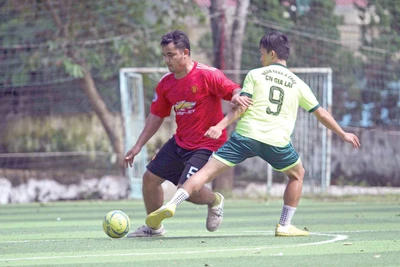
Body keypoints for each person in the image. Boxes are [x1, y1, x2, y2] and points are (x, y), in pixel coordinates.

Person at [145, 31, 361, 237]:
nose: (260, 57)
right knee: (297, 174)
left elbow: (242, 106)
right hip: (276, 141)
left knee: (205, 174)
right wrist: (342, 134)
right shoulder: (298, 84)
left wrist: (221, 125)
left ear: (271, 54)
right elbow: (321, 113)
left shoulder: (255, 74)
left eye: (261, 53)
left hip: (245, 137)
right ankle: (285, 225)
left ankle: (173, 203)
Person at [123, 30, 251, 237]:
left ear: (185, 52)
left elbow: (234, 89)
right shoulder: (166, 83)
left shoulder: (208, 75)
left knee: (186, 190)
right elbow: (156, 116)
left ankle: (215, 200)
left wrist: (237, 96)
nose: (167, 60)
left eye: (171, 55)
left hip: (207, 144)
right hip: (180, 143)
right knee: (149, 179)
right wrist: (138, 146)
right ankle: (154, 228)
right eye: (164, 55)